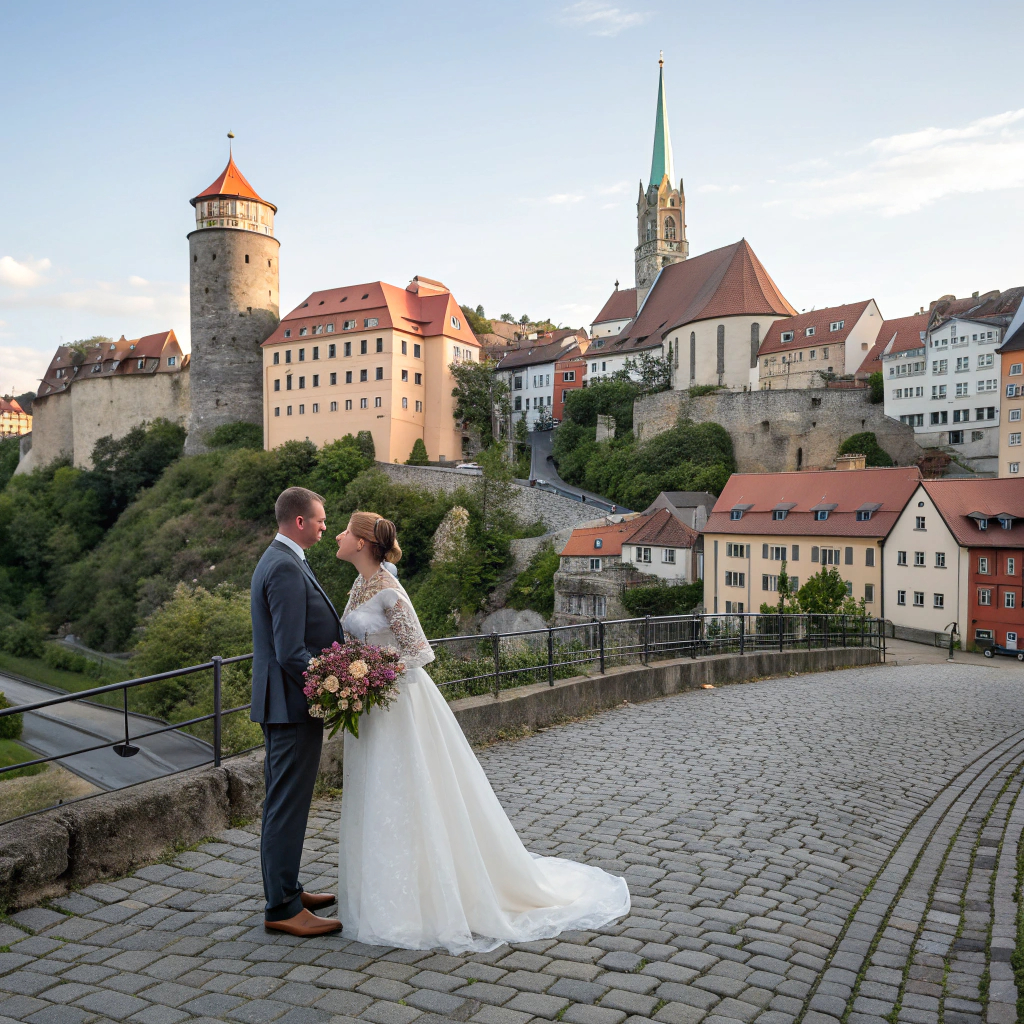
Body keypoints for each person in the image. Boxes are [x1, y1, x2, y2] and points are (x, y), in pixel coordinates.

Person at [334, 510, 630, 953]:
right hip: (374, 708)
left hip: (400, 705)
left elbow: (419, 652)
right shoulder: (360, 585)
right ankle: (385, 893)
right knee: (379, 793)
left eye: (345, 530)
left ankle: (421, 901)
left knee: (407, 790)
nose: (338, 535)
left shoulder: (389, 590)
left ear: (360, 543)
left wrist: (373, 675)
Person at [250, 487, 343, 937]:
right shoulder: (284, 566)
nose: (325, 526)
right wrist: (336, 682)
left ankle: (287, 889)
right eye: (321, 520)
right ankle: (282, 908)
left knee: (284, 803)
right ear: (300, 521)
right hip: (290, 704)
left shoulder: (285, 558)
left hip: (286, 702)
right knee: (286, 806)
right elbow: (290, 651)